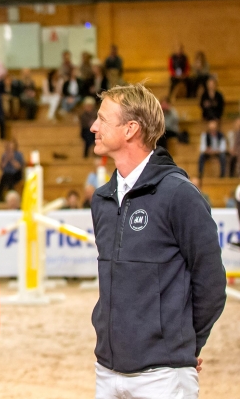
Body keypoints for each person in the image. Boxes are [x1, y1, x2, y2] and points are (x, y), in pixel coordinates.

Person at [89, 83, 226, 399]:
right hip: (106, 371)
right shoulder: (102, 200)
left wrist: (187, 344)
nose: (94, 127)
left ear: (130, 129)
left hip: (162, 377)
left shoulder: (180, 196)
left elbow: (211, 284)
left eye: (102, 119)